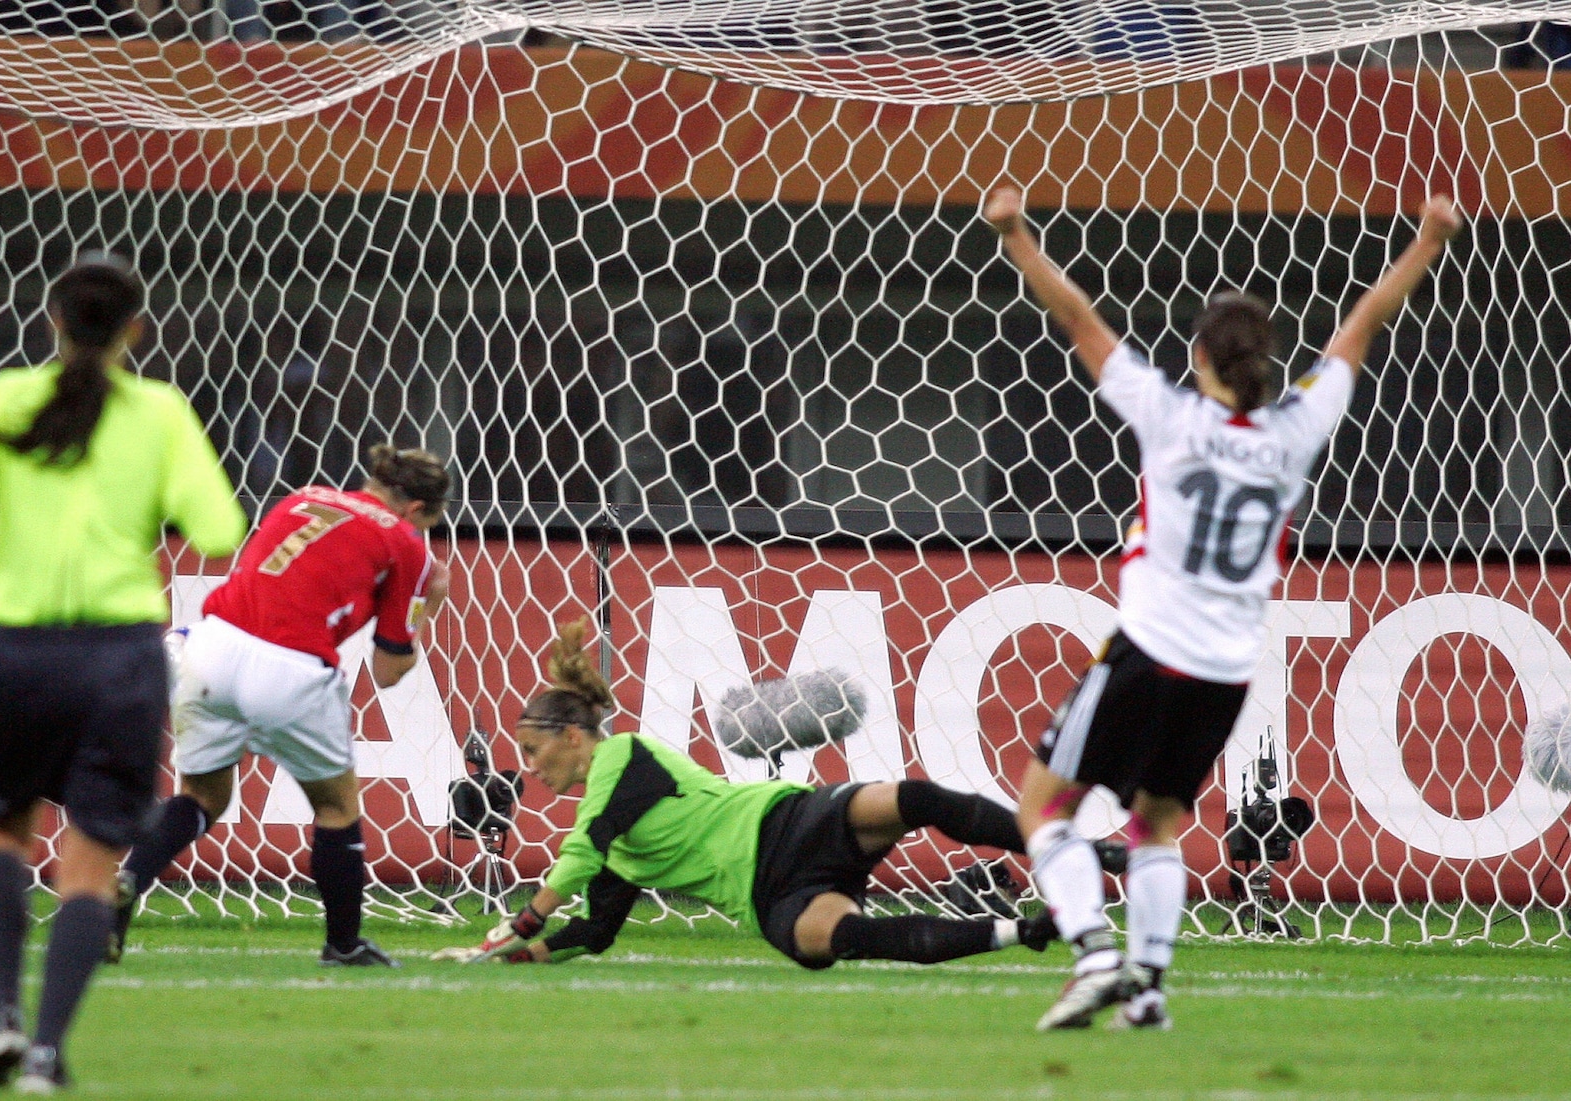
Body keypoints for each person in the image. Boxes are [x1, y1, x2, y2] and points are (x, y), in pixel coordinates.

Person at [984, 185, 1462, 1031]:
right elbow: (1360, 327)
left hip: (1146, 651)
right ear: (1268, 367)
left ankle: (1095, 952)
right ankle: (1152, 986)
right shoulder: (1294, 431)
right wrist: (1425, 242)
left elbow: (1081, 317)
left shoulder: (1166, 416)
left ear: (1198, 355)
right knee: (1157, 825)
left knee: (1043, 809)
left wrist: (1017, 234)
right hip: (1226, 672)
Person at [0, 253, 247, 1093]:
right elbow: (218, 529)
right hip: (117, 658)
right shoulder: (159, 413)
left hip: (14, 651)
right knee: (91, 862)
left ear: (52, 324)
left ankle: (1, 1016)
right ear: (135, 330)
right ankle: (47, 1053)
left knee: (2, 831)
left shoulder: (3, 399)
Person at [433, 620, 1119, 970]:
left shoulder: (623, 756)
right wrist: (507, 957)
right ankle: (1021, 932)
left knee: (910, 798)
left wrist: (517, 922)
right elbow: (592, 933)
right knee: (830, 940)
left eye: (533, 749)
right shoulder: (612, 840)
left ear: (576, 733)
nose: (529, 767)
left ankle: (1075, 846)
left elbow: (583, 850)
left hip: (788, 822)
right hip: (771, 897)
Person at [114, 442, 453, 967]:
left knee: (202, 799)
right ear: (414, 511)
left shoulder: (304, 497)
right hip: (289, 669)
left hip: (207, 649)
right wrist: (428, 604)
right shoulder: (405, 541)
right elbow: (388, 672)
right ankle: (343, 944)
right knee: (337, 807)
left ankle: (129, 878)